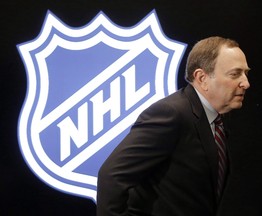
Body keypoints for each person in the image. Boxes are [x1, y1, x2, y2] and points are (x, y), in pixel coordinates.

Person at [96, 36, 251, 216]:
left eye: (246, 73)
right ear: (202, 78)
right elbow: (111, 176)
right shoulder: (171, 114)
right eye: (235, 74)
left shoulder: (218, 118)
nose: (246, 83)